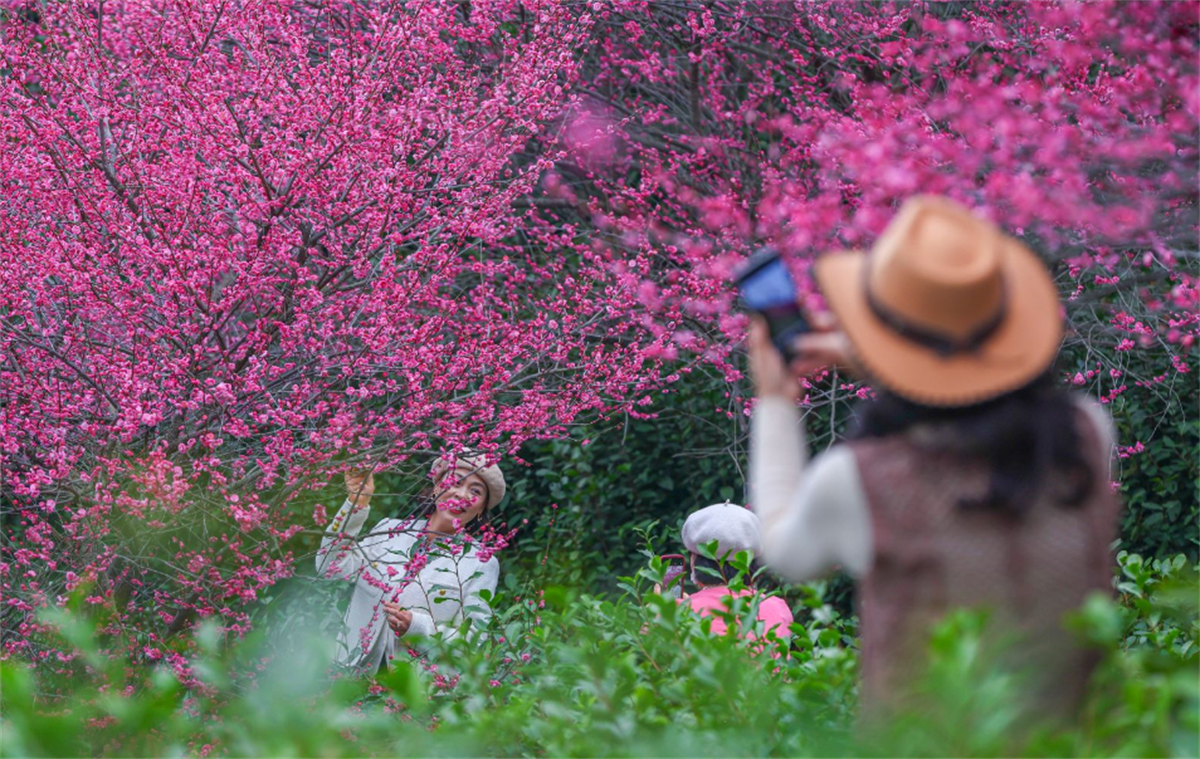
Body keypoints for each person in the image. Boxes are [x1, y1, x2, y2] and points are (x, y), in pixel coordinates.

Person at [747, 196, 1121, 716]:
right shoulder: (1087, 432)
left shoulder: (862, 482)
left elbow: (783, 549)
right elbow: (969, 388)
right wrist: (886, 357)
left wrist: (773, 402)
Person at [316, 452, 506, 673]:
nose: (462, 494)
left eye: (476, 491)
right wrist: (356, 505)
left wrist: (417, 627)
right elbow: (329, 567)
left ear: (481, 508)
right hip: (349, 674)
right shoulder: (389, 530)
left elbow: (475, 642)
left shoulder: (480, 563)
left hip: (417, 691)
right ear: (436, 487)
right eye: (456, 482)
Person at [678, 502, 794, 646]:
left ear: (695, 562)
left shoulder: (677, 615)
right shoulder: (777, 608)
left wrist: (662, 611)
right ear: (752, 564)